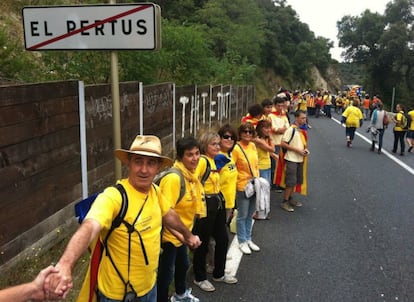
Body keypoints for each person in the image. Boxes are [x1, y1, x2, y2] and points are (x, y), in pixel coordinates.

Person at [46, 135, 201, 302]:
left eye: (150, 163)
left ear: (158, 168)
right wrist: (65, 265)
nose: (144, 169)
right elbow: (90, 225)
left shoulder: (155, 192)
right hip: (118, 296)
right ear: (128, 163)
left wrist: (188, 235)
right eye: (138, 161)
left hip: (150, 288)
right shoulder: (114, 197)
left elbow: (168, 214)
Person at [157, 137, 206, 302]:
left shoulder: (191, 175)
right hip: (169, 236)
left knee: (183, 265)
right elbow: (164, 213)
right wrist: (184, 237)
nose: (195, 158)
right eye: (189, 155)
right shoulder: (174, 179)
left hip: (183, 233)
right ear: (180, 157)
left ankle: (180, 294)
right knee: (166, 274)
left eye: (197, 153)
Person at [192, 132, 237, 293]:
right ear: (205, 146)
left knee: (223, 239)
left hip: (217, 202)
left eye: (218, 144)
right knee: (202, 242)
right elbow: (194, 181)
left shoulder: (212, 160)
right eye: (214, 144)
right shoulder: (203, 161)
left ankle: (219, 273)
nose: (218, 146)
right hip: (207, 205)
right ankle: (200, 277)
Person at [232, 123, 260, 254]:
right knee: (242, 215)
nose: (247, 134)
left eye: (250, 132)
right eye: (245, 131)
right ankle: (241, 240)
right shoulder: (236, 148)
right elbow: (233, 167)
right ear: (240, 133)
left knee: (250, 214)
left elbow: (256, 165)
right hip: (242, 185)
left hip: (255, 184)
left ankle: (248, 238)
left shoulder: (253, 146)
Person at [279, 110, 310, 212]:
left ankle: (290, 198)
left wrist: (304, 150)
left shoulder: (300, 130)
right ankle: (285, 201)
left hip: (299, 159)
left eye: (305, 118)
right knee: (290, 181)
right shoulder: (291, 130)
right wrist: (297, 150)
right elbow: (283, 143)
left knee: (296, 180)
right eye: (302, 118)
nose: (304, 120)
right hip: (291, 158)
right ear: (296, 118)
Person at [253, 119, 277, 219]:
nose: (268, 130)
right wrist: (271, 138)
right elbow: (271, 149)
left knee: (265, 190)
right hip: (260, 167)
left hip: (266, 165)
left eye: (269, 127)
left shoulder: (263, 139)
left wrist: (274, 156)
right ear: (260, 128)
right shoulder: (258, 140)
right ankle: (257, 212)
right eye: (265, 128)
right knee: (261, 190)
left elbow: (269, 152)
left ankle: (262, 212)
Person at [269, 96, 289, 191]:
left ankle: (280, 182)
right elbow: (272, 129)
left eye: (282, 106)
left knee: (282, 164)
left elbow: (287, 127)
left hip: (283, 143)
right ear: (274, 105)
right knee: (274, 165)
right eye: (278, 106)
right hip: (275, 143)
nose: (280, 108)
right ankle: (274, 184)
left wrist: (281, 130)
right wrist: (280, 130)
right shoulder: (270, 116)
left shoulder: (284, 115)